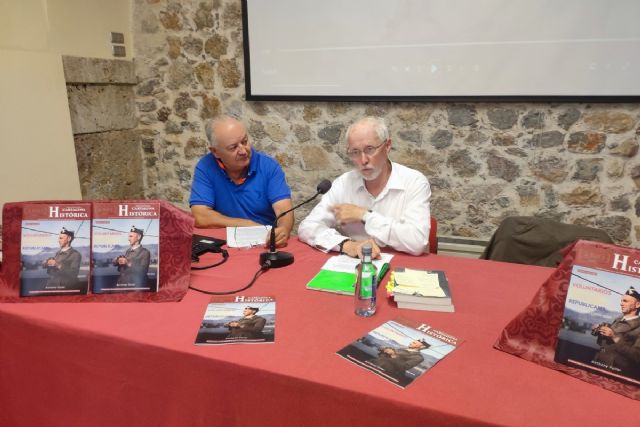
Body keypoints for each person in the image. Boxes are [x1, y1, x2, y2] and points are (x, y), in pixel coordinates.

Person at [298, 116, 431, 259]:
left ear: (387, 146)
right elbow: (308, 227)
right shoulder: (343, 184)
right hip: (355, 266)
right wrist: (347, 245)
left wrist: (364, 215)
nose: (363, 160)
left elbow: (417, 242)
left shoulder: (414, 182)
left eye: (370, 149)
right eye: (355, 152)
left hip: (402, 267)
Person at [189, 116, 294, 247]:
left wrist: (284, 229)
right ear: (215, 152)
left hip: (264, 243)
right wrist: (246, 224)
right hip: (225, 244)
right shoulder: (205, 167)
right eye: (233, 147)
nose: (243, 151)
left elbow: (284, 210)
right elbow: (200, 216)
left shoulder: (268, 166)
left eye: (244, 142)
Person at [591, 286, 640, 378]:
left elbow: (637, 357)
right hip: (598, 364)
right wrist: (599, 332)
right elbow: (603, 345)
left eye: (625, 301)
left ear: (637, 305)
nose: (621, 304)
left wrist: (615, 337)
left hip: (615, 372)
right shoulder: (617, 320)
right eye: (621, 301)